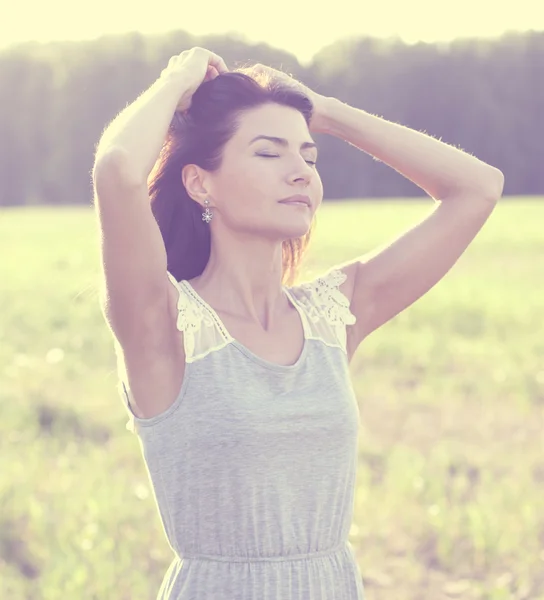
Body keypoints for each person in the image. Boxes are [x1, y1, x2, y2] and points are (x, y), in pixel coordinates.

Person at [92, 47, 504, 599]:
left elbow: (477, 187)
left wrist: (327, 112)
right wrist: (176, 81)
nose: (300, 172)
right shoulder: (163, 324)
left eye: (310, 158)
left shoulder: (333, 314)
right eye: (269, 153)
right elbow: (117, 170)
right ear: (200, 184)